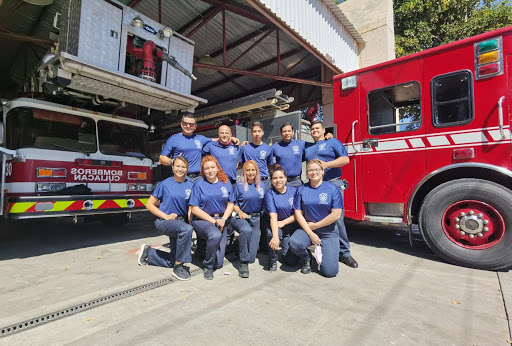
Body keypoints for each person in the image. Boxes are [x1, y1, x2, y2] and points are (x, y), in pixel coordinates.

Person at [304, 120, 358, 269]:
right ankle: (320, 248)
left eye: (317, 128)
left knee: (338, 219)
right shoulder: (307, 147)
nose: (314, 130)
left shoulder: (333, 142)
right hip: (314, 185)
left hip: (332, 183)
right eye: (312, 129)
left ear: (323, 130)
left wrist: (326, 165)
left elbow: (345, 159)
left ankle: (345, 253)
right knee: (312, 216)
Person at [137, 156, 193, 281]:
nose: (180, 169)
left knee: (174, 257)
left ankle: (149, 254)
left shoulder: (190, 185)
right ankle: (178, 268)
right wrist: (165, 216)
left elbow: (191, 207)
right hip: (165, 222)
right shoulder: (164, 184)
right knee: (186, 230)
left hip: (180, 223)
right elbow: (149, 204)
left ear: (187, 169)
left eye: (183, 167)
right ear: (172, 167)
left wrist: (191, 222)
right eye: (177, 166)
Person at [288, 159, 342, 277]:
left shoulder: (332, 188)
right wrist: (311, 233)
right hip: (307, 229)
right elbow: (298, 213)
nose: (313, 172)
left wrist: (316, 226)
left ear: (322, 171)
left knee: (330, 272)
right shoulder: (301, 189)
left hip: (328, 231)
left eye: (317, 169)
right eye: (310, 170)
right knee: (294, 243)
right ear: (307, 174)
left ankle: (326, 252)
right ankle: (308, 258)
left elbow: (336, 214)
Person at [189, 155, 234, 280]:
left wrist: (223, 219)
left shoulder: (226, 183)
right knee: (215, 235)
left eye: (212, 167)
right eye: (207, 168)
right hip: (203, 220)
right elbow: (194, 209)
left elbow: (231, 203)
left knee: (219, 263)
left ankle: (202, 251)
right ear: (203, 171)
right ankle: (208, 267)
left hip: (222, 220)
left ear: (217, 168)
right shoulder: (198, 185)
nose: (210, 171)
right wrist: (213, 221)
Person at [159, 114, 239, 182]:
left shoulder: (200, 139)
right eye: (185, 123)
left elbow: (218, 139)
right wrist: (172, 161)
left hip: (199, 178)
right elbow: (161, 158)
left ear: (195, 126)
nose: (188, 126)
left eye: (191, 124)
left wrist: (231, 138)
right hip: (181, 177)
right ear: (181, 124)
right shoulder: (173, 139)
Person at [272, 122, 333, 188]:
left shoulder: (301, 144)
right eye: (284, 131)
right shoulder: (275, 146)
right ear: (281, 134)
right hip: (281, 181)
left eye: (289, 131)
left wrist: (327, 136)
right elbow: (265, 158)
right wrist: (272, 166)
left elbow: (317, 145)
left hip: (296, 182)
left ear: (293, 132)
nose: (287, 133)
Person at [231, 161, 265, 278]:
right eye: (248, 170)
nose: (250, 173)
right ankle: (243, 263)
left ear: (256, 171)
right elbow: (233, 203)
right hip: (240, 217)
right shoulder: (238, 186)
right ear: (244, 171)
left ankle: (238, 245)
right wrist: (240, 212)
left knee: (252, 258)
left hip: (256, 219)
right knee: (246, 230)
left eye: (253, 170)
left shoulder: (262, 185)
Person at [264, 165, 299, 271]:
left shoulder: (295, 191)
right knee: (271, 234)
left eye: (280, 177)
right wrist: (275, 236)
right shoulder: (269, 194)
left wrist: (284, 222)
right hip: (276, 225)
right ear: (271, 180)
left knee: (291, 262)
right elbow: (273, 216)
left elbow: (299, 214)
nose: (278, 180)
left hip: (291, 225)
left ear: (285, 178)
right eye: (275, 178)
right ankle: (273, 260)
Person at [240, 121, 273, 191]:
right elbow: (241, 164)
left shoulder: (268, 148)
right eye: (254, 131)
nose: (257, 134)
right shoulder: (245, 148)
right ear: (251, 133)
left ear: (262, 132)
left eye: (259, 131)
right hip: (250, 182)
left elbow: (270, 166)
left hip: (264, 182)